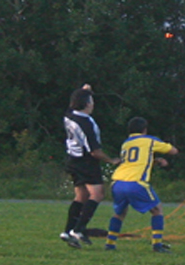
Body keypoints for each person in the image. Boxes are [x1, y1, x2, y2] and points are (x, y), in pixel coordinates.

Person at [105, 117, 178, 253]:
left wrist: (153, 160)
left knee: (120, 213)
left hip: (117, 181)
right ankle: (157, 245)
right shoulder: (149, 140)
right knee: (157, 210)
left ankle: (110, 244)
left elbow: (135, 159)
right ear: (144, 130)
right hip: (136, 182)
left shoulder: (126, 143)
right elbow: (173, 151)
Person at [60, 84, 121, 249]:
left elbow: (75, 101)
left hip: (72, 160)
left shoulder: (70, 114)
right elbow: (95, 152)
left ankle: (67, 231)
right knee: (98, 194)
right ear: (86, 104)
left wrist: (84, 90)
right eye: (91, 100)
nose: (93, 103)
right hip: (86, 162)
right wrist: (111, 160)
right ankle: (78, 230)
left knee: (81, 197)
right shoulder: (85, 123)